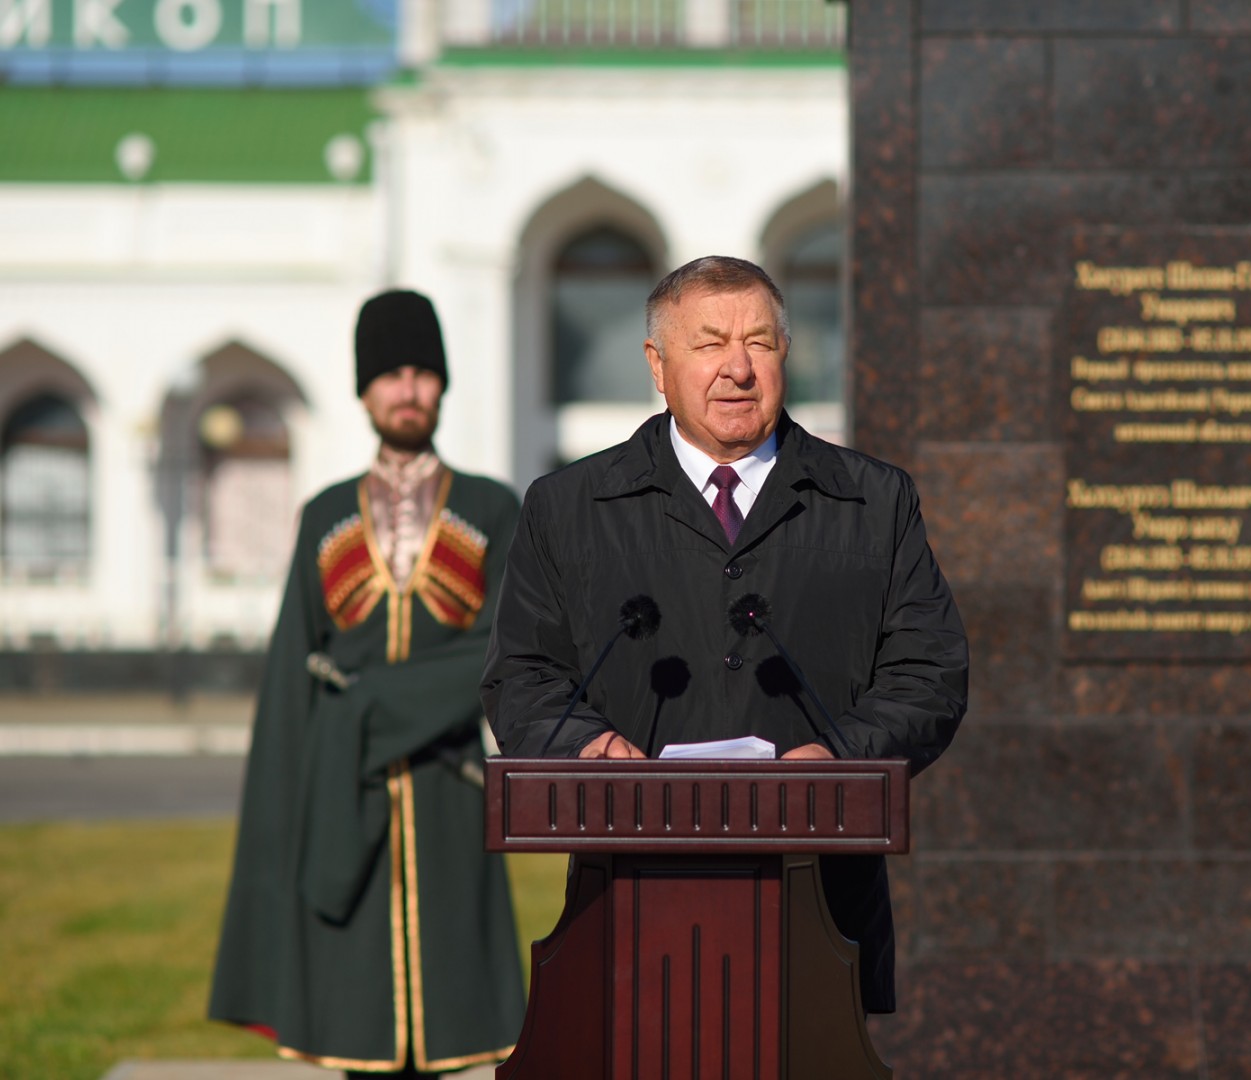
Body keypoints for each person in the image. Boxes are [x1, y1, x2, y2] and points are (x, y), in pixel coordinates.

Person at [480, 256, 969, 1013]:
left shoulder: (873, 501)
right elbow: (523, 675)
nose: (737, 369)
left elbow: (928, 674)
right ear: (657, 365)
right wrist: (585, 745)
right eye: (709, 344)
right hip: (628, 900)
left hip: (822, 905)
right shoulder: (569, 506)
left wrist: (841, 757)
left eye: (760, 343)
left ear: (785, 354)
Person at [209, 290, 525, 1077]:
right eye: (389, 374)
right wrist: (285, 805)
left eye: (422, 372)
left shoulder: (493, 507)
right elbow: (294, 670)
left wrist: (373, 705)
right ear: (364, 391)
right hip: (340, 789)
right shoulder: (324, 515)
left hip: (450, 784)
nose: (407, 389)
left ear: (442, 384)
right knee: (354, 1024)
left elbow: (509, 647)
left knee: (452, 1018)